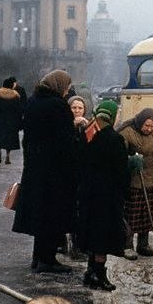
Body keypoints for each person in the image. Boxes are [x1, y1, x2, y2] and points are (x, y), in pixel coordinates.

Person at [12, 70, 77, 274]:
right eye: (66, 87)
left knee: (41, 214)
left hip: (35, 167)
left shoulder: (33, 101)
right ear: (58, 85)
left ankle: (38, 257)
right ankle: (47, 260)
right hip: (54, 171)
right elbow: (65, 142)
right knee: (53, 215)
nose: (67, 91)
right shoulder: (58, 106)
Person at [77, 100, 130, 291]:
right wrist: (125, 192)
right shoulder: (114, 139)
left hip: (88, 193)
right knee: (103, 236)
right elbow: (121, 171)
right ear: (113, 116)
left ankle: (90, 271)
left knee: (92, 232)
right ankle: (99, 275)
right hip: (107, 195)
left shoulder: (88, 133)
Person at [117, 108, 153, 260]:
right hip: (133, 181)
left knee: (147, 216)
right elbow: (118, 156)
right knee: (132, 215)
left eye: (152, 126)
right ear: (140, 121)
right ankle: (127, 245)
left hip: (151, 179)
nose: (149, 129)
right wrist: (130, 162)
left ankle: (143, 244)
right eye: (146, 125)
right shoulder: (127, 132)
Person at [57, 95, 91, 260]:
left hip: (83, 175)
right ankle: (61, 242)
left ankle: (78, 245)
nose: (77, 111)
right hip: (65, 175)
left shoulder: (89, 125)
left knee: (80, 211)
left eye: (80, 108)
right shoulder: (63, 126)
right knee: (64, 209)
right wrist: (71, 127)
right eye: (74, 108)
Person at [0, 78, 23, 165]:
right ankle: (8, 156)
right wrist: (19, 122)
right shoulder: (16, 95)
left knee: (0, 136)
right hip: (11, 120)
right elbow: (18, 110)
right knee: (9, 139)